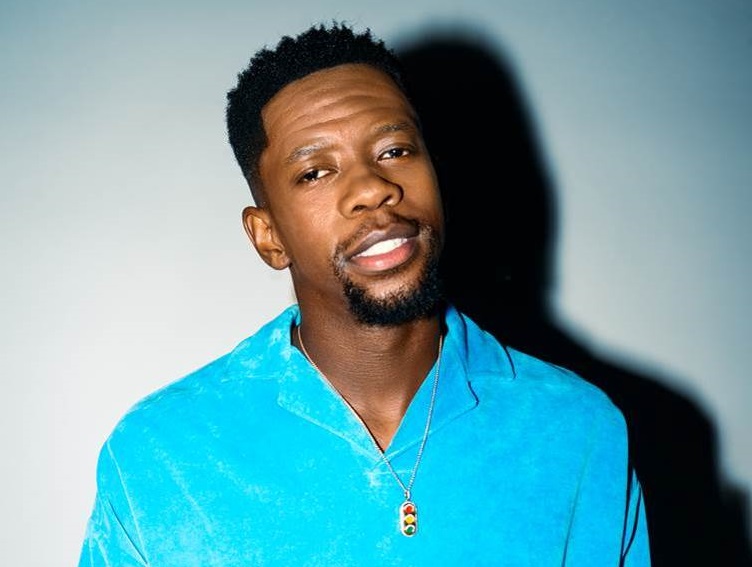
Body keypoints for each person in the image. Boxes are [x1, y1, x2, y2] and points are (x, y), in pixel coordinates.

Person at [77, 21, 651, 566]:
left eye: (394, 150)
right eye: (315, 172)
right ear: (269, 236)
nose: (373, 189)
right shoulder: (160, 454)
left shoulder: (579, 431)